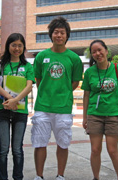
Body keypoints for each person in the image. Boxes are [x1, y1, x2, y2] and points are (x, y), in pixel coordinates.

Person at [32, 17, 83, 180]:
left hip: (63, 108)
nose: (59, 35)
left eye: (62, 32)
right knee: (39, 143)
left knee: (63, 143)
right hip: (43, 107)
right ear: (51, 35)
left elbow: (75, 82)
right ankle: (39, 176)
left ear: (67, 35)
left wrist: (63, 92)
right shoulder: (41, 56)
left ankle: (60, 175)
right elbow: (38, 80)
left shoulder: (74, 58)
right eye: (56, 32)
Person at [0, 33, 35, 180]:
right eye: (13, 45)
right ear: (8, 46)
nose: (17, 48)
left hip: (20, 112)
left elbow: (29, 86)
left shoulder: (27, 66)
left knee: (17, 149)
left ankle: (17, 177)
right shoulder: (0, 65)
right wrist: (10, 98)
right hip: (2, 111)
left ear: (24, 48)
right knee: (3, 149)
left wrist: (16, 100)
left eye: (20, 45)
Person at [81, 40, 118, 180]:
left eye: (100, 50)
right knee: (95, 150)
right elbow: (86, 95)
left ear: (106, 51)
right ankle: (96, 177)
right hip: (95, 114)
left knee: (112, 150)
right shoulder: (89, 72)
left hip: (113, 114)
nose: (97, 54)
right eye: (94, 52)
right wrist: (85, 117)